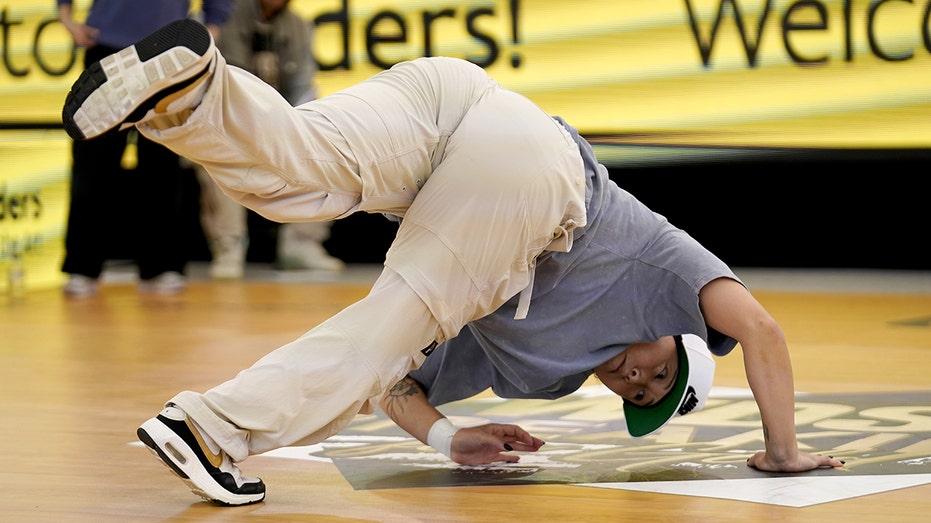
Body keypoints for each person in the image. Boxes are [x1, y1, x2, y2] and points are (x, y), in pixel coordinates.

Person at [61, 19, 844, 506]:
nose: (633, 381)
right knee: (388, 320)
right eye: (657, 375)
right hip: (534, 166)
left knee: (299, 178)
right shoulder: (663, 269)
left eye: (635, 396)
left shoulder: (539, 371)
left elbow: (399, 384)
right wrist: (781, 451)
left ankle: (192, 94)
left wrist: (443, 437)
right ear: (677, 338)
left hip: (448, 99)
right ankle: (210, 428)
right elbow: (762, 331)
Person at [56, 0, 234, 296]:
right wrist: (66, 17)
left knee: (162, 167)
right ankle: (82, 267)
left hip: (170, 55)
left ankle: (162, 266)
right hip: (107, 48)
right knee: (93, 165)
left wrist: (211, 28)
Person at [195, 0, 344, 279]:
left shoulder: (299, 25)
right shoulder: (229, 17)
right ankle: (229, 245)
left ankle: (300, 245)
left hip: (279, 121)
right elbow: (226, 77)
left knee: (328, 152)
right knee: (215, 159)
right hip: (228, 119)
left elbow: (302, 84)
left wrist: (300, 125)